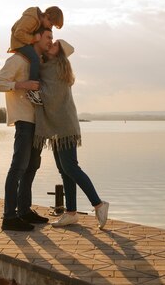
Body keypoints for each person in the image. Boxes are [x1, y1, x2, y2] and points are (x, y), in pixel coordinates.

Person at [33, 39, 109, 229]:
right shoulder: (45, 66)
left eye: (56, 44)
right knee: (64, 170)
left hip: (65, 126)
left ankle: (98, 204)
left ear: (59, 53)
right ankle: (71, 213)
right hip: (57, 126)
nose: (51, 44)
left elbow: (52, 94)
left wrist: (34, 90)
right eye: (51, 42)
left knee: (71, 167)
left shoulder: (58, 67)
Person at [0, 27, 55, 231]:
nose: (50, 41)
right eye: (48, 37)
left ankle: (24, 211)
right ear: (36, 37)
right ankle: (9, 217)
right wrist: (23, 84)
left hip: (38, 122)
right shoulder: (18, 60)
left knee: (32, 166)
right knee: (18, 167)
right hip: (24, 120)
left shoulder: (40, 62)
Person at [9, 6, 64, 106]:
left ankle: (38, 87)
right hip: (19, 43)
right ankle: (32, 91)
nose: (50, 27)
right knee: (35, 59)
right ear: (47, 16)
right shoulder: (32, 18)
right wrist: (33, 39)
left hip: (25, 42)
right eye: (51, 24)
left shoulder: (38, 20)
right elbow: (18, 33)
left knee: (39, 58)